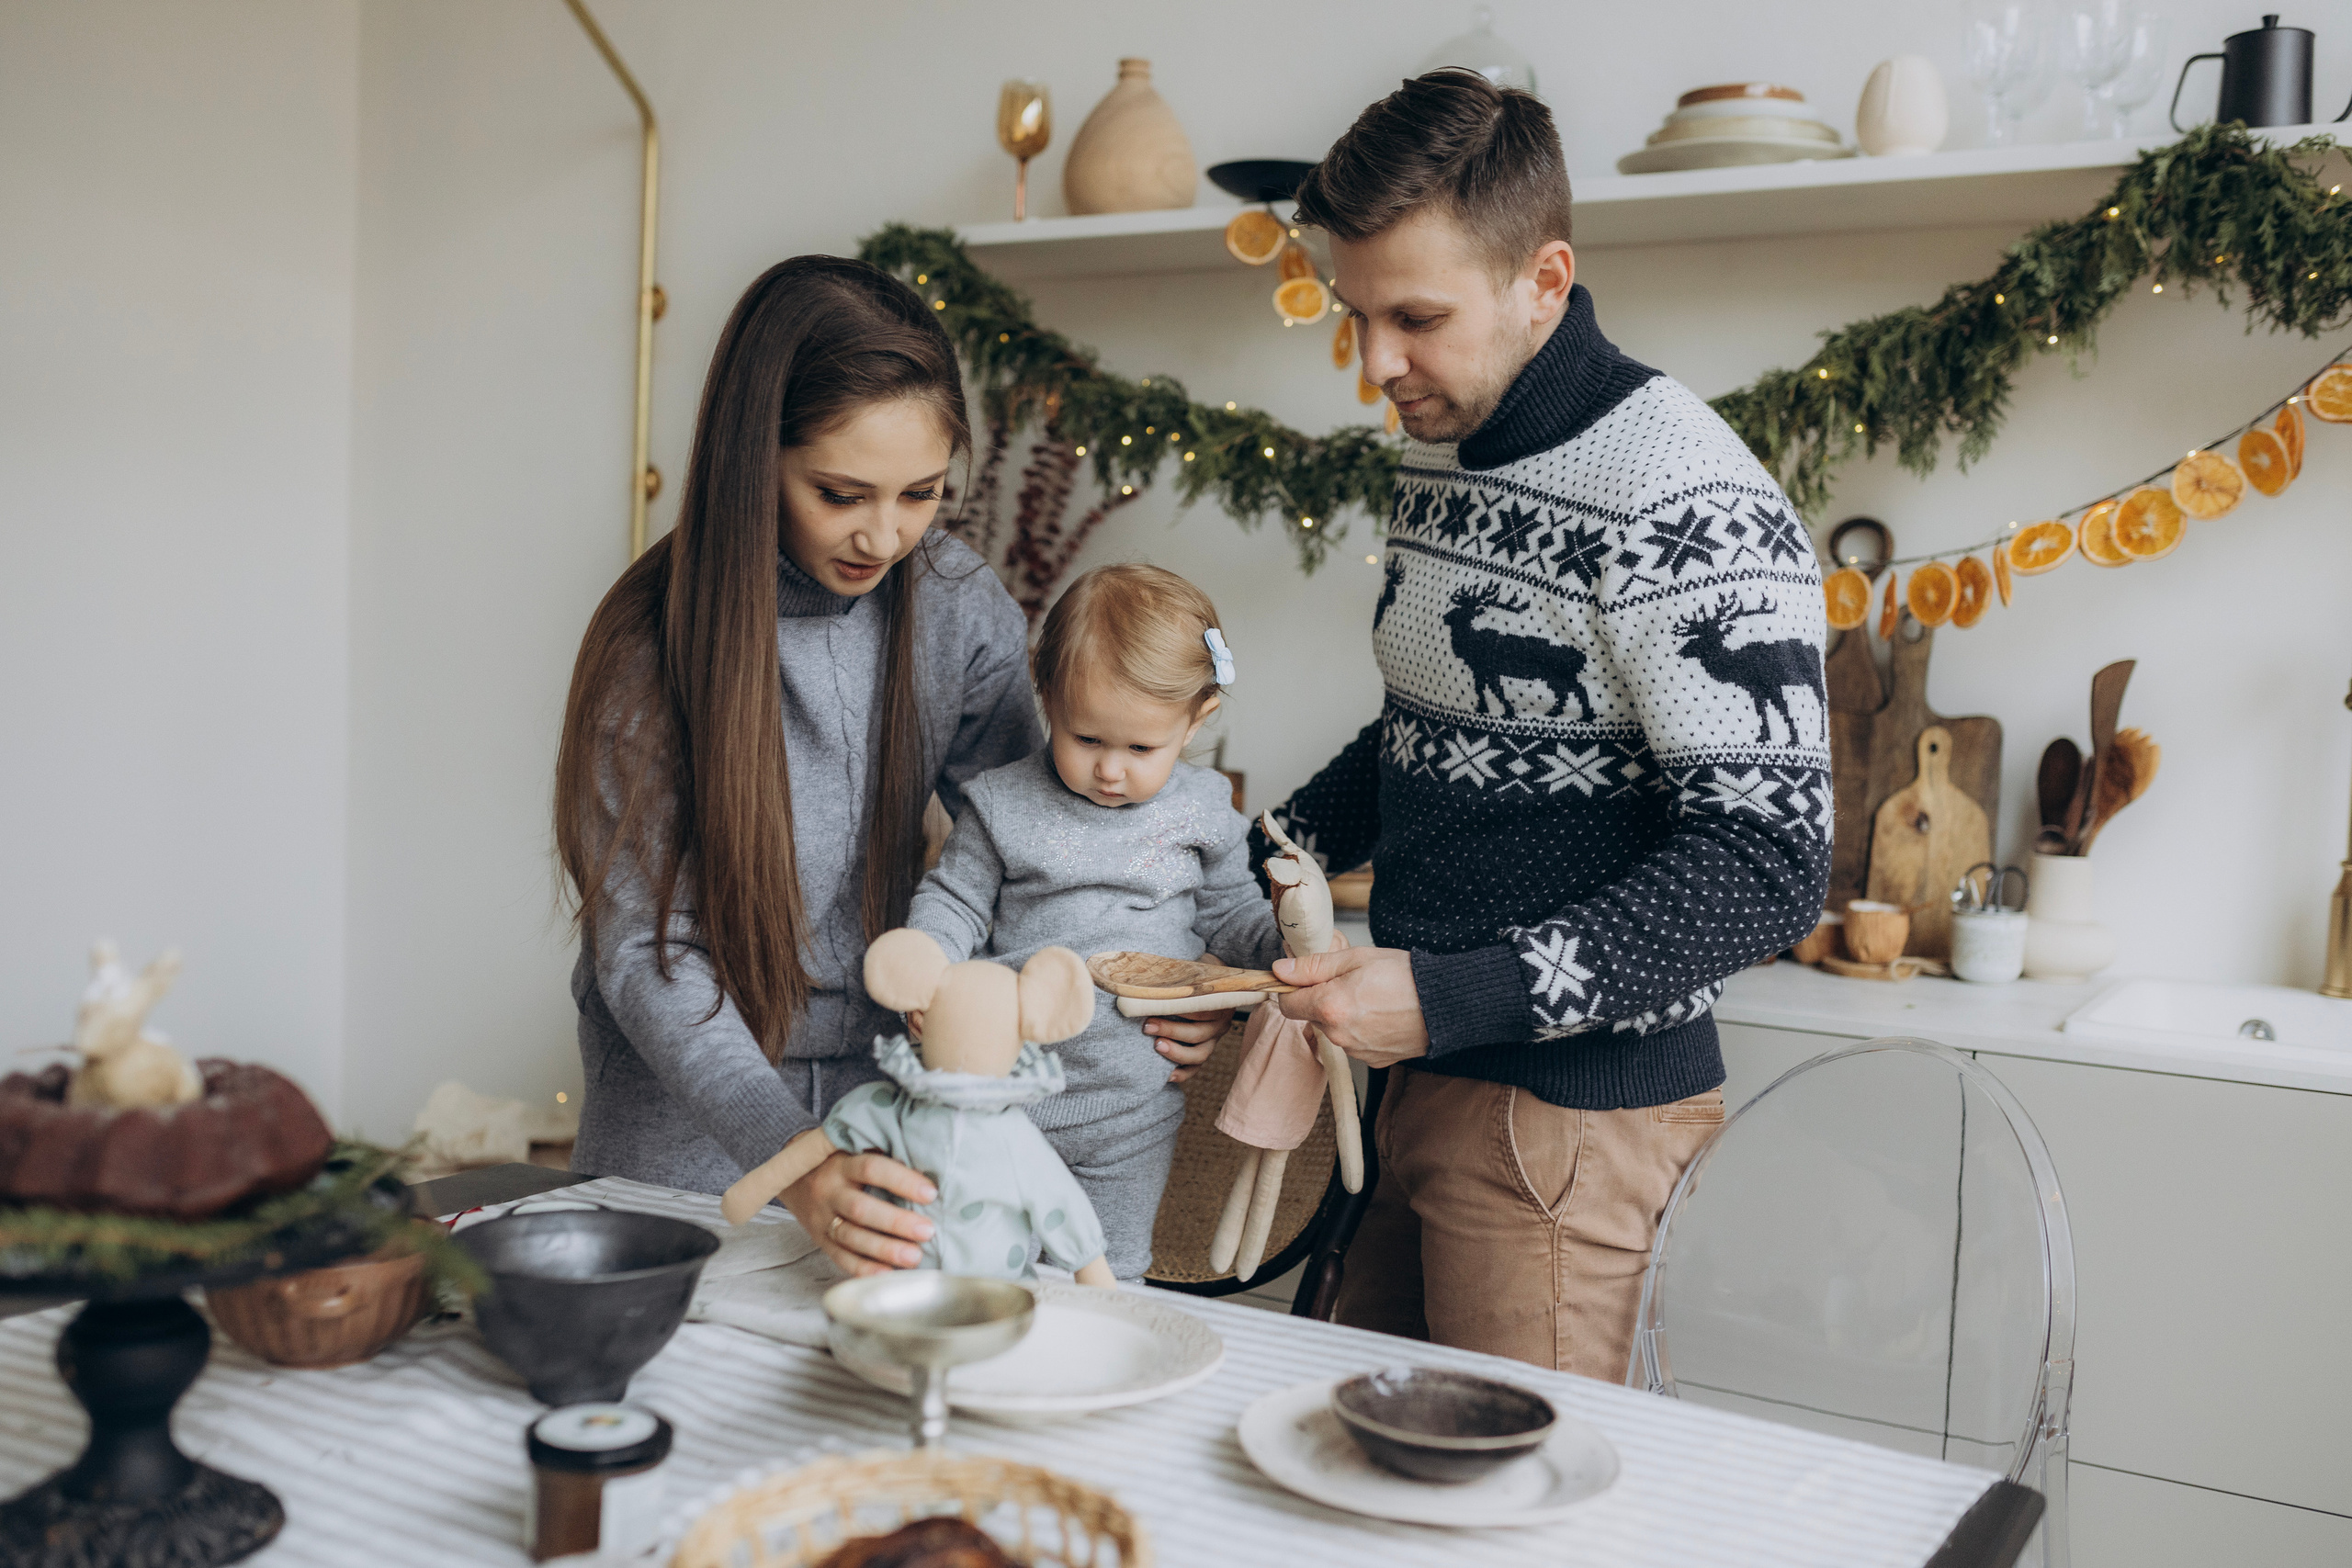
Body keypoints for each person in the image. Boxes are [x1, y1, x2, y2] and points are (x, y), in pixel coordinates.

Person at [1261, 72, 1829, 1380]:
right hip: (1429, 1082)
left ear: (1545, 278)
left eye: (1416, 318)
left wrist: (1454, 993)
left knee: (1522, 1522)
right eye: (1357, 317)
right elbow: (1431, 725)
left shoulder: (1683, 494)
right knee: (1364, 1493)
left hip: (1572, 1132)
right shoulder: (1451, 443)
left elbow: (1768, 864)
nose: (1377, 366)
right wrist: (1257, 862)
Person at [551, 257, 1232, 1279]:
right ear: (752, 461)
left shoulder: (954, 603)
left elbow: (1052, 845)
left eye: (921, 494)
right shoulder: (650, 646)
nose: (886, 535)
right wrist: (790, 1158)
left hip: (904, 1095)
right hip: (688, 1121)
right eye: (840, 494)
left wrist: (1169, 989)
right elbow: (655, 955)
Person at [902, 564, 1284, 1280]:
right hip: (1004, 1097)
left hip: (1133, 1111)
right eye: (1086, 739)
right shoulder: (1001, 804)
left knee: (1108, 1274)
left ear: (1196, 719)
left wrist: (1285, 943)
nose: (1111, 769)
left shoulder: (1202, 810)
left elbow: (1231, 913)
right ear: (1045, 696)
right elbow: (954, 900)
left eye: (1141, 749)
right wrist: (928, 965)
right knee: (981, 1265)